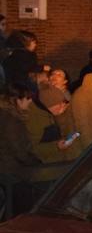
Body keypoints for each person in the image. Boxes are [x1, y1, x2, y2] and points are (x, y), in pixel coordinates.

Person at [0, 84, 49, 215]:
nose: (30, 102)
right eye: (28, 99)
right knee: (21, 208)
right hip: (14, 172)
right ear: (18, 100)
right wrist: (35, 162)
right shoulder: (12, 121)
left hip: (7, 170)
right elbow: (19, 150)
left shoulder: (6, 115)